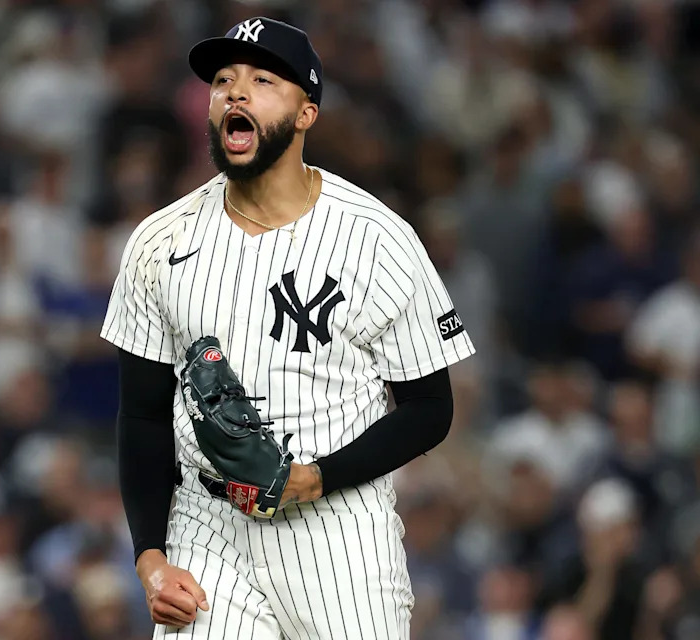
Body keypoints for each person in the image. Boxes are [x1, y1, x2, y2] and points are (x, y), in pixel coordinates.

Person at [101, 17, 475, 639]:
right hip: (206, 525)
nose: (235, 94)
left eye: (262, 79)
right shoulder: (158, 242)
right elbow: (140, 415)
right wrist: (149, 555)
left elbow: (430, 408)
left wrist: (313, 477)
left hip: (339, 529)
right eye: (223, 81)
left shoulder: (377, 237)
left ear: (306, 114)